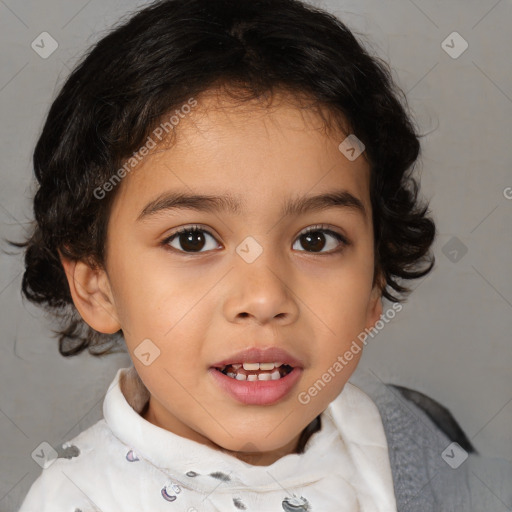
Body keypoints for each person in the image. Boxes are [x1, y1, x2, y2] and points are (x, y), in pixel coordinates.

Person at [15, 0, 511, 510]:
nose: (264, 297)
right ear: (97, 285)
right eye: (192, 240)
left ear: (374, 282)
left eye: (315, 240)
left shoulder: (441, 475)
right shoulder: (79, 498)